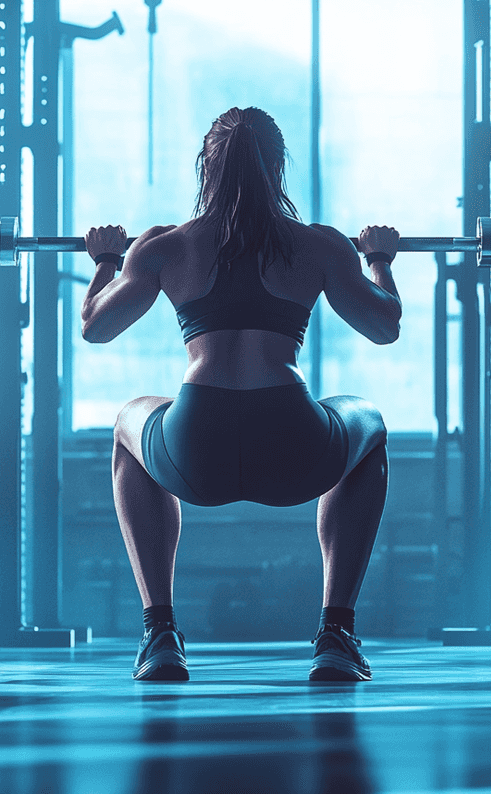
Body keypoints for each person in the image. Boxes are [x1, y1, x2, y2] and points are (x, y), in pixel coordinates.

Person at [80, 106, 401, 682]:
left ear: (206, 168)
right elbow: (385, 325)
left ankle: (159, 633)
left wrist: (106, 260)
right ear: (278, 167)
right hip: (293, 444)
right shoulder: (320, 246)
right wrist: (378, 258)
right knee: (369, 425)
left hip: (196, 448)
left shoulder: (164, 246)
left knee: (130, 423)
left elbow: (95, 326)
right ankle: (336, 633)